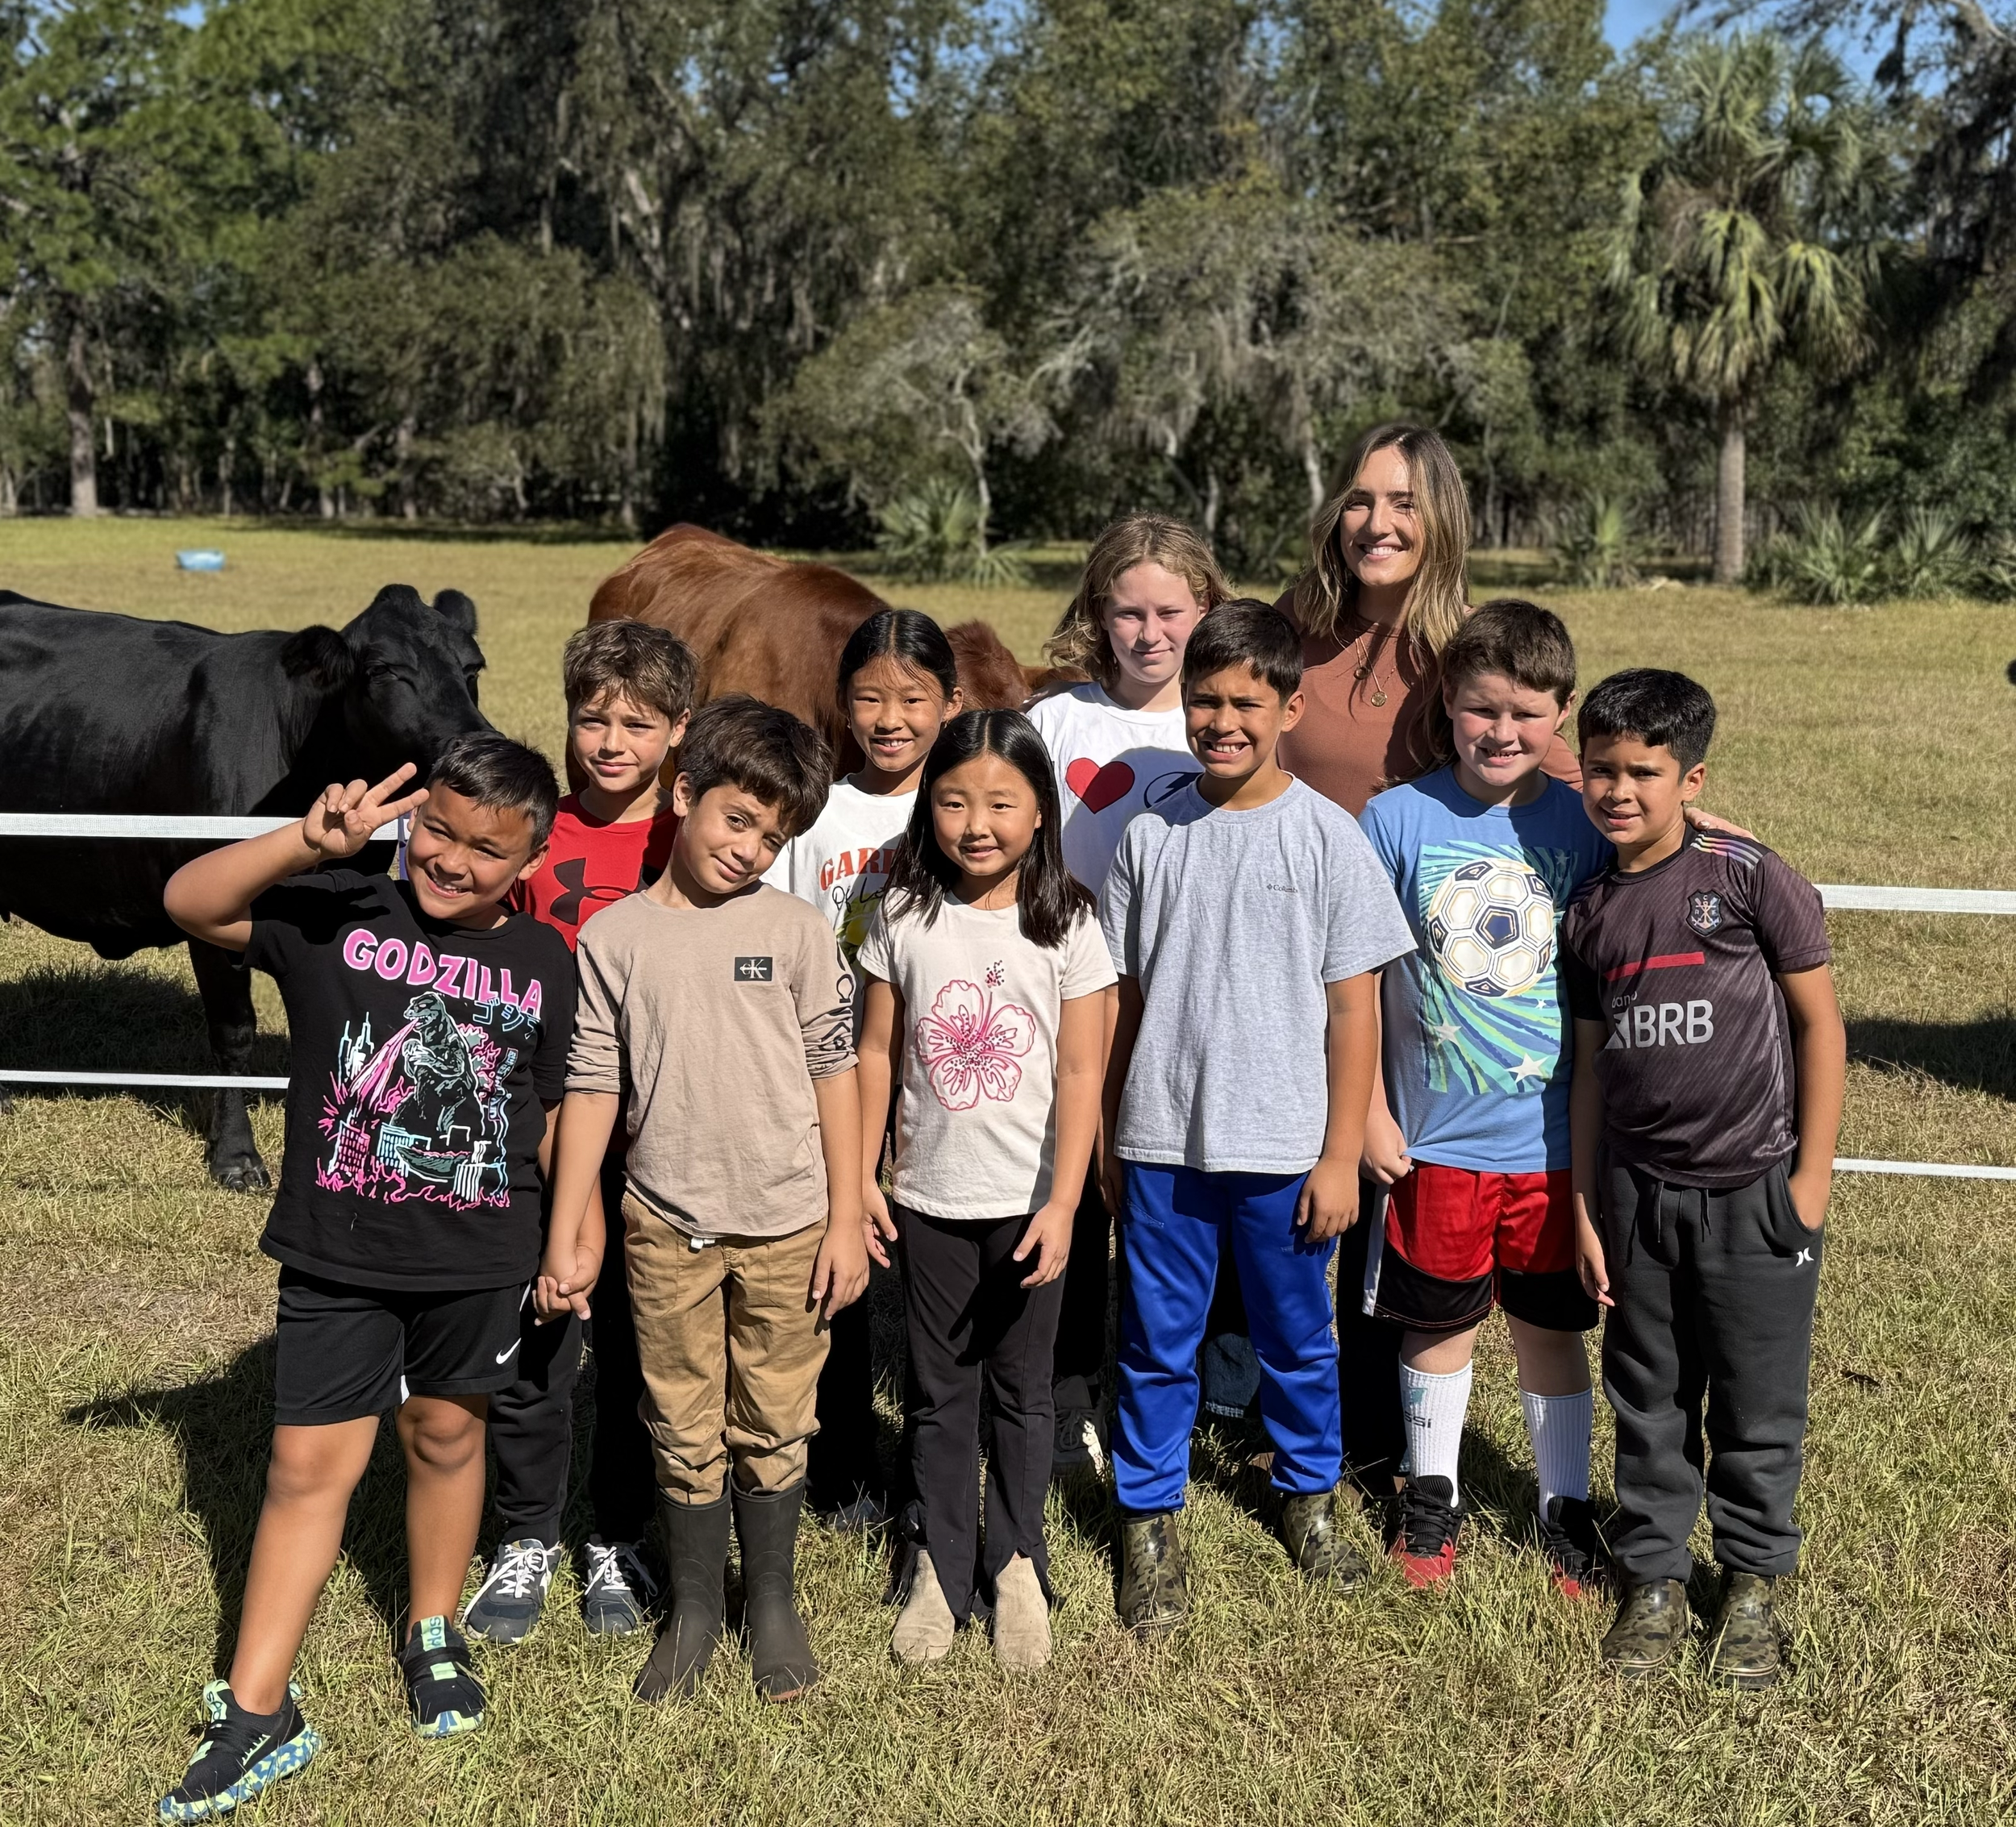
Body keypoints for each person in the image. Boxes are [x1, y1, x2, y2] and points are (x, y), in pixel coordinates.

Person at [156, 735, 573, 1818]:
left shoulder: (542, 958)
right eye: (437, 828)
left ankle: (430, 1626)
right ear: (409, 818)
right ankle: (258, 1712)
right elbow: (188, 901)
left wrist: (573, 1231)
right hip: (336, 1249)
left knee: (446, 1433)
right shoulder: (335, 910)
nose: (452, 859)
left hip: (483, 1252)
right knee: (305, 1466)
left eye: (487, 848)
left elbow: (558, 1113)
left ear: (526, 858)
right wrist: (304, 840)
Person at [1275, 422, 1582, 1505]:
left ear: (1439, 515)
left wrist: (1694, 819)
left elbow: (1564, 776)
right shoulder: (1294, 630)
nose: (1378, 522)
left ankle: (1385, 1452)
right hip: (1294, 951)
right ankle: (1270, 1412)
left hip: (1417, 979)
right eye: (1360, 499)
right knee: (1289, 1192)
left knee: (1383, 1205)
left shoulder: (1463, 653)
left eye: (1403, 502)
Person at [542, 695, 868, 1705]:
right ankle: (691, 1607)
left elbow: (836, 1070)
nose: (749, 849)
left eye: (773, 837)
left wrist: (849, 1215)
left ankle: (769, 1600)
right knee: (680, 1414)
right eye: (737, 819)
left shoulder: (799, 931)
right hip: (664, 1225)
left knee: (775, 1412)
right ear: (684, 794)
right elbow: (593, 1084)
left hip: (786, 1224)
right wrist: (566, 1230)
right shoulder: (616, 937)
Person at [1099, 602, 1414, 1635]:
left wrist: (1337, 1155)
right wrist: (1111, 1131)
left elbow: (1352, 1007)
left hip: (1287, 1152)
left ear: (1288, 706)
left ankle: (1309, 1500)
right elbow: (1126, 999)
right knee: (1154, 1342)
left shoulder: (1328, 835)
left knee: (1296, 1339)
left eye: (1245, 700)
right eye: (1204, 699)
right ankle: (1147, 1518)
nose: (1221, 719)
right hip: (1160, 1146)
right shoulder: (1150, 835)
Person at [1564, 669, 1843, 1688]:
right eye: (1600, 769)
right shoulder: (1588, 907)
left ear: (1692, 778)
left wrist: (1806, 1179)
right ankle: (1653, 1579)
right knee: (1648, 1393)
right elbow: (1590, 1066)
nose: (1618, 790)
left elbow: (1818, 1025)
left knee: (1758, 1401)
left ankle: (1753, 1582)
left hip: (1757, 1191)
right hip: (1636, 1196)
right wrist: (1588, 1203)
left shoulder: (1749, 875)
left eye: (1644, 771)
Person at [1356, 601, 1611, 1594]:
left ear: (1563, 714)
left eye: (1527, 713)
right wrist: (1371, 1112)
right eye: (1480, 710)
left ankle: (1564, 1504)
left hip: (1554, 1147)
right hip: (1434, 1141)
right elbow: (1359, 978)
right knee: (1438, 1323)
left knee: (1549, 1330)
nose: (1501, 732)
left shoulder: (1586, 822)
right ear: (1447, 707)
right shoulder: (1396, 819)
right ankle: (1432, 1496)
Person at [854, 710, 1114, 1670]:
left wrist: (1064, 1201)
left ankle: (1014, 1560)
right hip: (929, 1196)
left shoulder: (1071, 922)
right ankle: (935, 1559)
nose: (976, 823)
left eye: (1001, 802)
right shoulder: (903, 916)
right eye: (953, 800)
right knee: (936, 1389)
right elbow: (874, 1050)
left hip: (1032, 1204)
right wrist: (867, 1174)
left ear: (1040, 812)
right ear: (927, 808)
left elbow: (1083, 1073)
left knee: (1023, 1388)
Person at [464, 620, 696, 1648]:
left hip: (656, 1130)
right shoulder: (534, 831)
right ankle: (526, 1530)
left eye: (637, 723)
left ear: (678, 731)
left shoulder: (689, 841)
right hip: (531, 1122)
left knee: (644, 1344)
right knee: (539, 1328)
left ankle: (616, 1527)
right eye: (591, 717)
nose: (609, 741)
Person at [1028, 514, 1230, 1467]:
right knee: (1076, 1188)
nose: (1150, 634)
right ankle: (1061, 1400)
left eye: (1171, 613)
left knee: (1179, 1197)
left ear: (1207, 610)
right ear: (1096, 614)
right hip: (1068, 995)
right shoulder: (1055, 721)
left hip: (1192, 995)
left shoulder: (1224, 718)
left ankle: (1195, 1395)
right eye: (1127, 613)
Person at [763, 609, 964, 1529]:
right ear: (840, 705)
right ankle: (842, 1459)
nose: (890, 718)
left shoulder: (964, 805)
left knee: (939, 1270)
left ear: (951, 703)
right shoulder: (815, 815)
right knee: (836, 1267)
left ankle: (946, 1451)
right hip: (832, 1073)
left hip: (948, 1073)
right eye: (869, 698)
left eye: (913, 698)